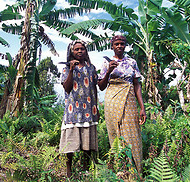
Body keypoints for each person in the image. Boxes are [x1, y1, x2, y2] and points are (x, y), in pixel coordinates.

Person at [98, 34, 146, 176]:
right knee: (115, 133)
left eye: (122, 43)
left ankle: (136, 172)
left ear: (125, 45)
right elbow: (101, 86)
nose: (119, 46)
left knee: (133, 133)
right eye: (117, 44)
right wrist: (108, 72)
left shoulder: (131, 62)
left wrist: (142, 107)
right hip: (112, 100)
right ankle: (120, 171)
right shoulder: (107, 63)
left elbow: (137, 85)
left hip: (130, 100)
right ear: (112, 46)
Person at [59, 40, 99, 178]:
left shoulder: (91, 68)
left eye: (82, 49)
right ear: (72, 51)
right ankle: (69, 170)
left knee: (87, 143)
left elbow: (94, 88)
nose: (80, 51)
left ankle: (85, 169)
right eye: (77, 49)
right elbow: (67, 87)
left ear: (85, 51)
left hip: (88, 109)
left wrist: (96, 107)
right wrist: (71, 69)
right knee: (69, 143)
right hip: (72, 111)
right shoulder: (66, 68)